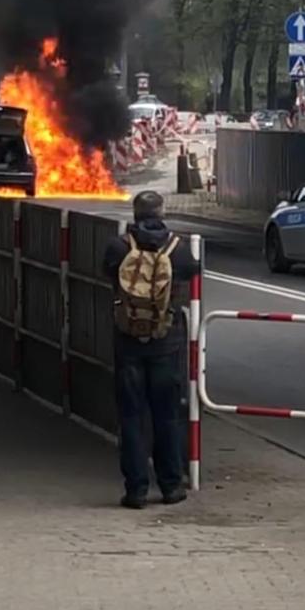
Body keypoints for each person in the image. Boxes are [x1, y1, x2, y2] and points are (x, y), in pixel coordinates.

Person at [103, 191, 199, 509]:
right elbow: (191, 271)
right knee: (166, 415)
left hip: (127, 342)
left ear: (135, 213)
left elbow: (108, 274)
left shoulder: (119, 247)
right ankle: (171, 486)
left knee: (131, 416)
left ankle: (136, 490)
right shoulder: (178, 248)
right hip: (166, 342)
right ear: (162, 211)